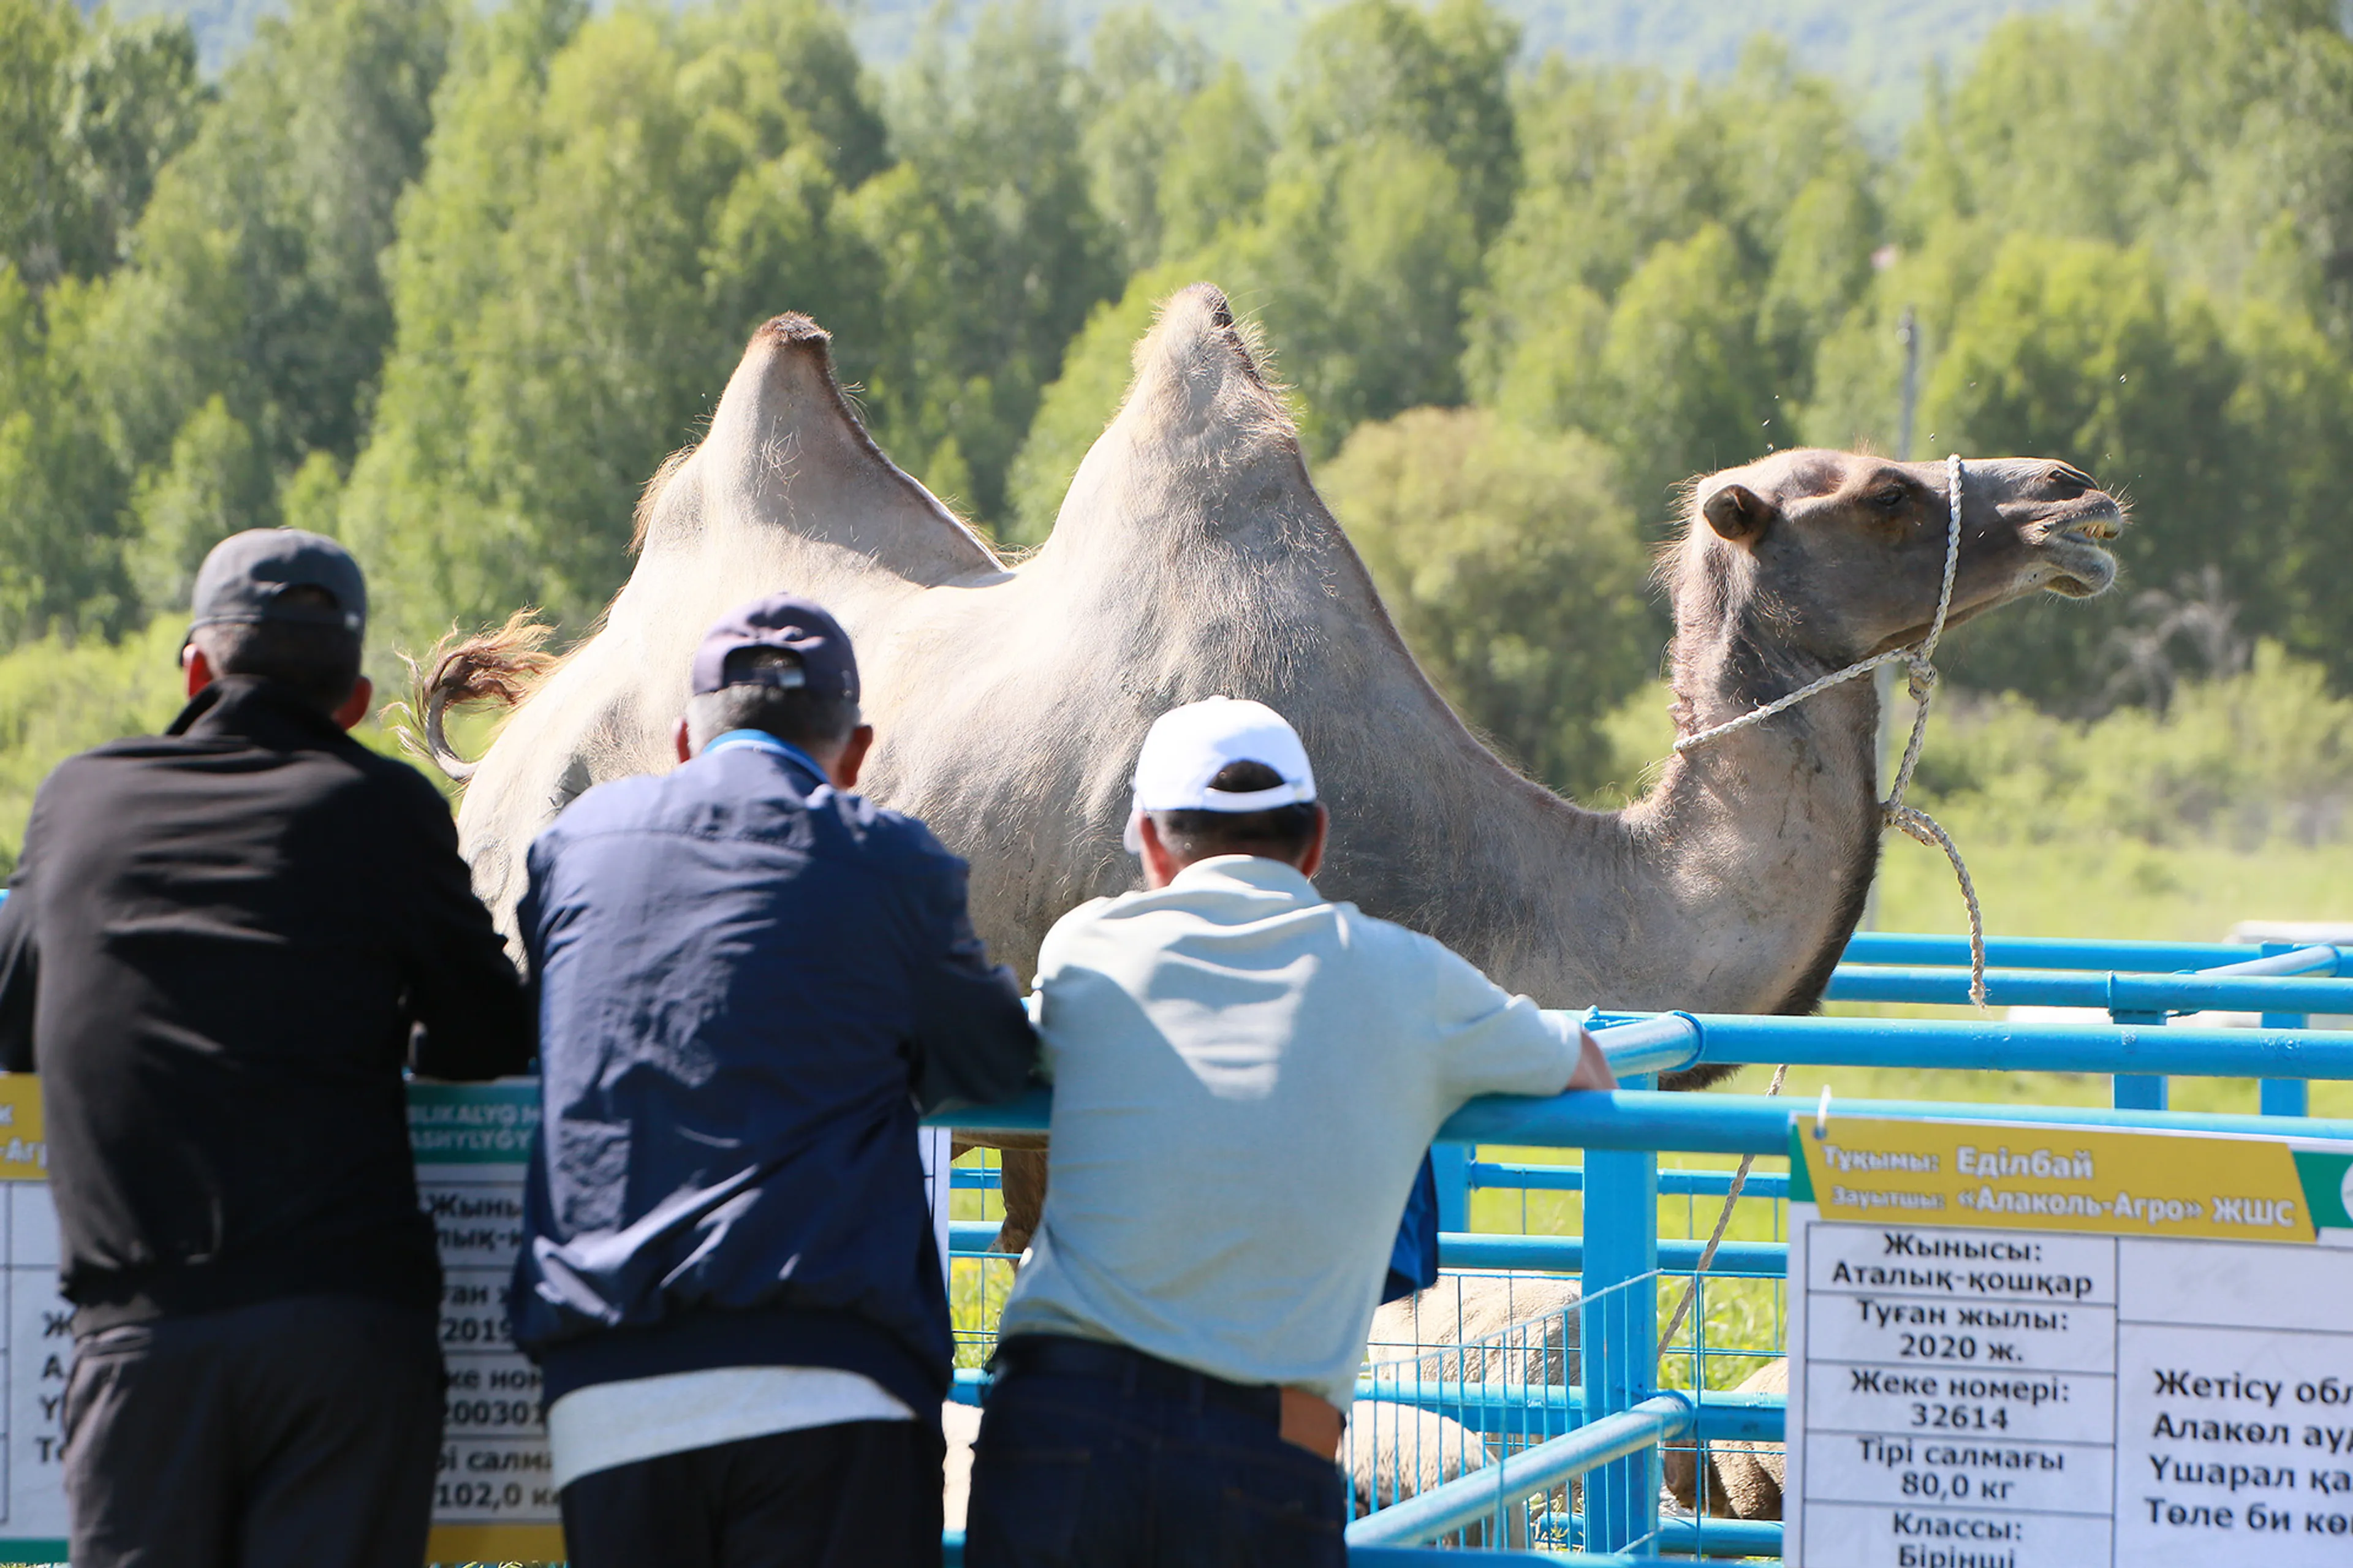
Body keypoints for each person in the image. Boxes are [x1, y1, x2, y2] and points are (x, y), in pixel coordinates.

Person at [965, 695, 1617, 1568]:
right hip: (1264, 1452)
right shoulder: (1407, 975)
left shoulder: (1087, 947)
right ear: (1314, 842)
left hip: (1059, 1427)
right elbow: (1587, 1068)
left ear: (1152, 844)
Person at [0, 529, 534, 1568]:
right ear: (353, 698)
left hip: (145, 1338)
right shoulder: (385, 810)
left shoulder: (78, 801)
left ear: (197, 669)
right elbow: (487, 1035)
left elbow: (16, 1030)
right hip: (345, 1333)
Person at [510, 593, 1039, 1568]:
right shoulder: (892, 861)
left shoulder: (575, 845)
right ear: (859, 747)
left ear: (681, 737)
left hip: (613, 1382)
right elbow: (997, 1060)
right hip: (833, 1379)